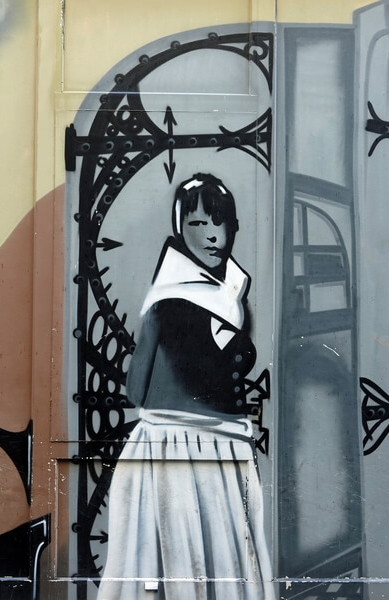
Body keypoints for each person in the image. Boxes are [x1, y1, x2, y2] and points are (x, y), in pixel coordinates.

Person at [97, 174, 275, 600]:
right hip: (185, 449)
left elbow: (136, 390)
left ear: (233, 227)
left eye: (220, 222)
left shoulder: (205, 294)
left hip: (201, 448)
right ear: (181, 230)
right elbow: (139, 390)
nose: (212, 234)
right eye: (198, 224)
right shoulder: (203, 299)